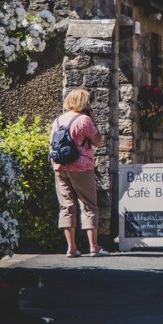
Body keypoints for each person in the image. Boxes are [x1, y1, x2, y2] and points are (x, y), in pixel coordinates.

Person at [51, 88, 105, 257]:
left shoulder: (58, 120)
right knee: (89, 205)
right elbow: (98, 141)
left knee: (66, 206)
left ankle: (71, 248)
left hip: (60, 166)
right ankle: (94, 247)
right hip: (81, 168)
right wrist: (93, 122)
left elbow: (52, 145)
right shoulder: (84, 120)